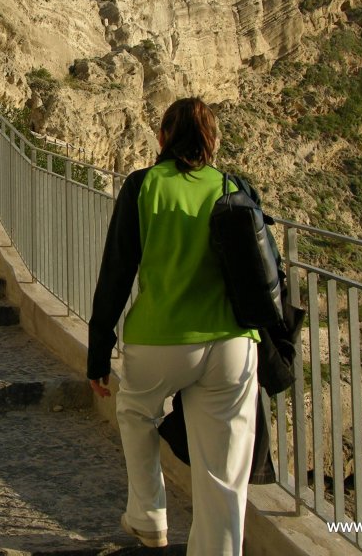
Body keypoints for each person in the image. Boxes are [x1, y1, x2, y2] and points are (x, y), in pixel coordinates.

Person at [87, 97, 260, 554]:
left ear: (162, 137)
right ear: (213, 140)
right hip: (233, 343)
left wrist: (98, 350)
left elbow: (117, 271)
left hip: (159, 339)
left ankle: (148, 517)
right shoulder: (234, 187)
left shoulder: (143, 185)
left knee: (135, 412)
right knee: (224, 474)